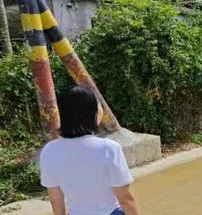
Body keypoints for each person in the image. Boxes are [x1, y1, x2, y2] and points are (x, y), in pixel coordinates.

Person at [40, 85, 142, 215]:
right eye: (99, 106)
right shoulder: (108, 149)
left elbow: (56, 201)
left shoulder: (49, 151)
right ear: (92, 113)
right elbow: (126, 199)